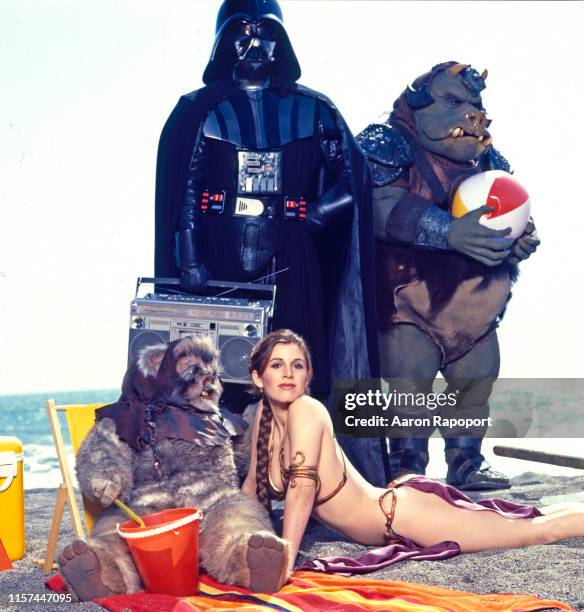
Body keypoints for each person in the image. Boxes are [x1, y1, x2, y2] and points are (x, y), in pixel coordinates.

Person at [154, 0, 388, 485]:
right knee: (220, 368)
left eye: (266, 34)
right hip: (219, 251)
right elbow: (187, 189)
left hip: (293, 251)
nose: (255, 45)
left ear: (282, 41)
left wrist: (319, 214)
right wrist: (190, 255)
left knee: (295, 365)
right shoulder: (200, 111)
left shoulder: (314, 109)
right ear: (224, 42)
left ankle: (301, 474)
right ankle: (226, 480)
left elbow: (354, 177)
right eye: (242, 34)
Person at [241, 329, 584, 576]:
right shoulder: (264, 418)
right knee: (529, 519)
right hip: (396, 508)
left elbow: (302, 489)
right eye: (276, 365)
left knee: (535, 531)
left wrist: (284, 560)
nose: (288, 373)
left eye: (297, 365)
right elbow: (250, 493)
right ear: (258, 378)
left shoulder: (307, 410)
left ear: (308, 375)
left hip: (405, 516)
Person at [356, 62, 540, 490]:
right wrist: (449, 232)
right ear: (418, 104)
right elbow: (380, 208)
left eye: (475, 102)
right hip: (407, 302)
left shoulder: (491, 161)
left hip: (472, 308)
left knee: (478, 374)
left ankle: (466, 461)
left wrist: (518, 241)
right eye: (454, 101)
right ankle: (407, 462)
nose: (471, 112)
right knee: (410, 374)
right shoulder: (388, 144)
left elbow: (507, 217)